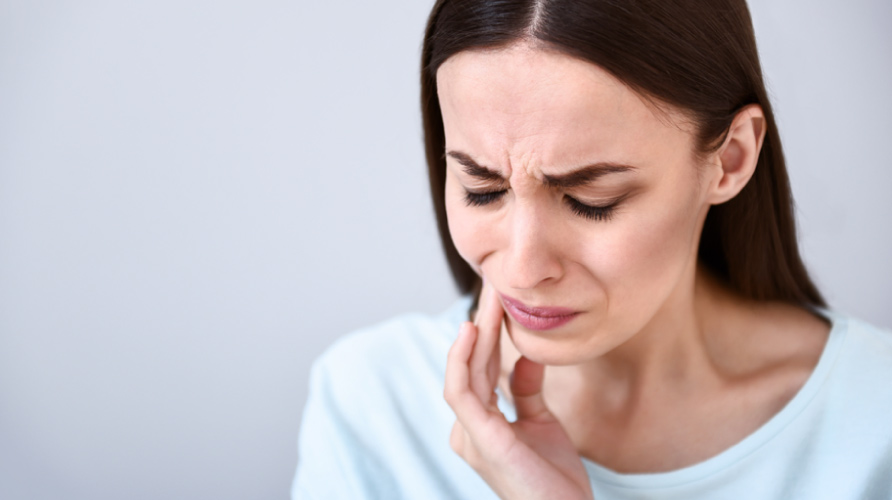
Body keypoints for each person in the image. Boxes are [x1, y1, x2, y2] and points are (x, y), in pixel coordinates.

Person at [291, 0, 892, 498]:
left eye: (591, 200)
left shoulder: (874, 422)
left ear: (730, 159)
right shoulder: (371, 404)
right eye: (481, 189)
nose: (523, 269)